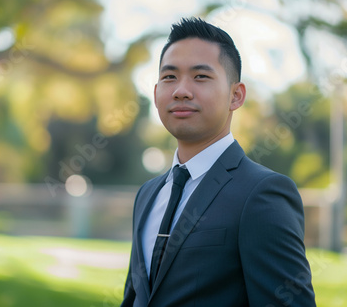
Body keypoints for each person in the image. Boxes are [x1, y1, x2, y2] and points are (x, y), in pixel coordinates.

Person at [121, 17, 316, 307]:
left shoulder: (262, 193)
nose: (181, 90)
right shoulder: (148, 194)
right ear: (156, 93)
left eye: (200, 77)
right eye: (169, 77)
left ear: (235, 96)